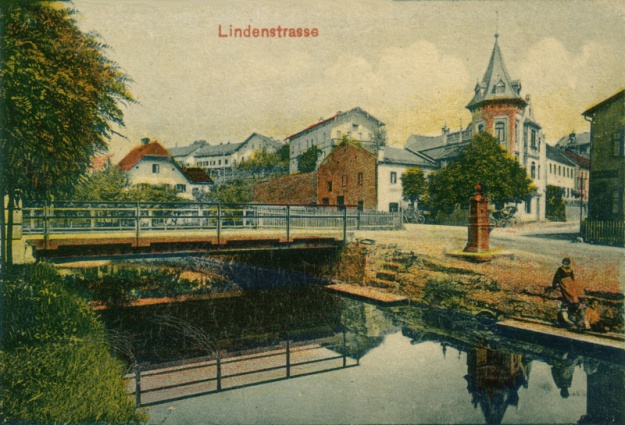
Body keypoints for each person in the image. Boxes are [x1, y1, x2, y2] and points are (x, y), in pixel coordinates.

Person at [546, 257, 590, 329]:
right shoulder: (565, 269)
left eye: (566, 263)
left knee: (569, 299)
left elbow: (566, 278)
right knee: (570, 299)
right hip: (567, 285)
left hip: (567, 285)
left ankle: (570, 320)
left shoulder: (565, 270)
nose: (565, 264)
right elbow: (561, 277)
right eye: (565, 263)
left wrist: (555, 285)